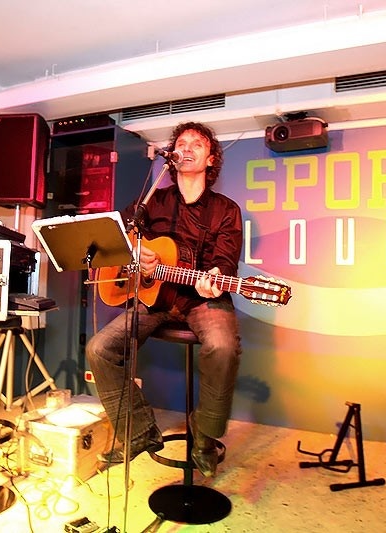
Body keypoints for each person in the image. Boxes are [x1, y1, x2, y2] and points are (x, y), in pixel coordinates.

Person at [85, 121, 243, 477]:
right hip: (155, 298)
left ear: (211, 159)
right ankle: (139, 431)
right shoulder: (153, 201)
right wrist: (136, 252)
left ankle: (204, 435)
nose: (186, 148)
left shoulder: (226, 209)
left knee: (223, 347)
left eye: (197, 144)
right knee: (99, 349)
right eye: (181, 143)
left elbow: (225, 261)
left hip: (201, 297)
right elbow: (116, 235)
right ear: (171, 156)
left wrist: (215, 278)